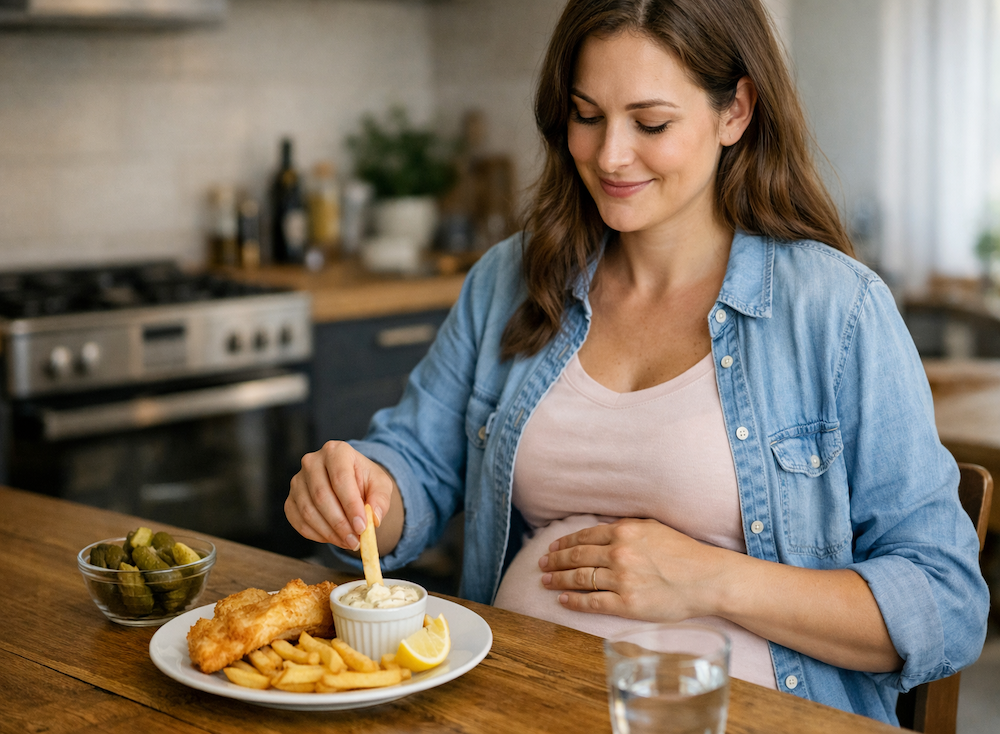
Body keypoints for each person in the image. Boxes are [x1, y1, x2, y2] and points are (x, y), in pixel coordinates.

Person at [285, 0, 989, 724]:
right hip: (511, 706)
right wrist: (364, 491)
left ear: (735, 112)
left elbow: (945, 603)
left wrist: (708, 580)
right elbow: (418, 469)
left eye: (651, 123)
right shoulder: (509, 279)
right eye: (587, 115)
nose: (610, 154)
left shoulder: (837, 312)